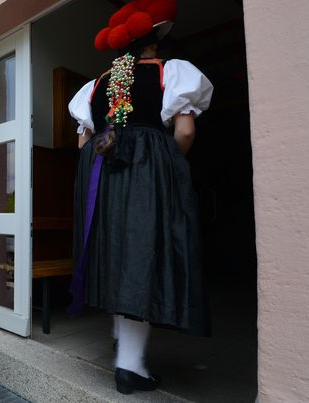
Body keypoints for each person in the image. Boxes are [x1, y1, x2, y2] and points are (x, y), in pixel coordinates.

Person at [67, 0, 213, 395]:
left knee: (116, 257)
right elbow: (184, 132)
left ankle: (124, 350)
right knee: (140, 258)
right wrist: (164, 164)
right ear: (154, 44)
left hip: (102, 177)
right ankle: (129, 365)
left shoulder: (94, 87)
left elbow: (83, 141)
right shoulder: (171, 72)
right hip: (145, 175)